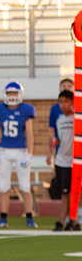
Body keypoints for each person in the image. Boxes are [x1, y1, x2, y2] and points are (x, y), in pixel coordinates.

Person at [0, 82, 37, 229]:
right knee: (3, 186)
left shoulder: (26, 110)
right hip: (4, 150)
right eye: (9, 93)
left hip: (21, 151)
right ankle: (3, 218)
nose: (12, 96)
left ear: (20, 94)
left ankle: (29, 217)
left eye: (14, 93)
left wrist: (30, 153)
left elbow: (29, 133)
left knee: (25, 186)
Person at [48, 90, 76, 231]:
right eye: (60, 102)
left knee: (74, 193)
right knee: (65, 193)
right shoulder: (59, 120)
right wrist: (51, 151)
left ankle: (71, 221)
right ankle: (66, 221)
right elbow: (58, 139)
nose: (63, 105)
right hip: (62, 161)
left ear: (72, 102)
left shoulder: (77, 119)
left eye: (66, 101)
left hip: (74, 161)